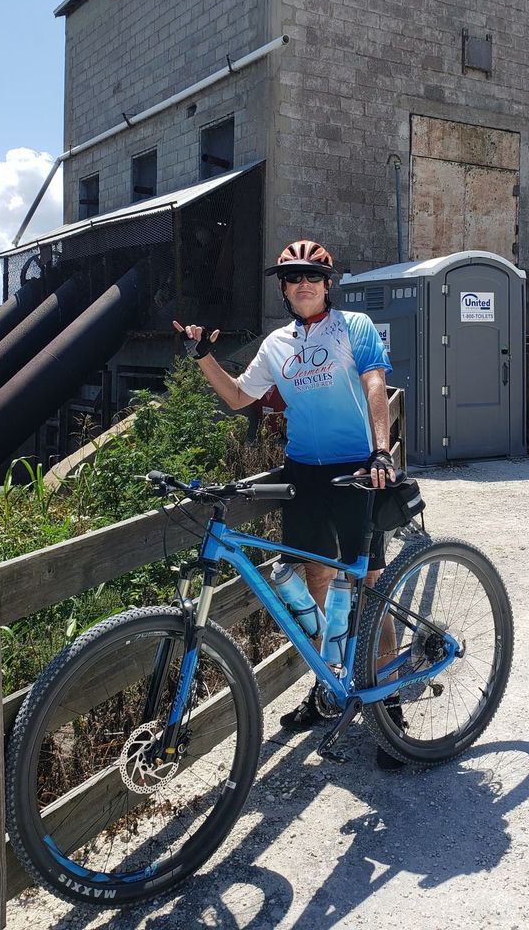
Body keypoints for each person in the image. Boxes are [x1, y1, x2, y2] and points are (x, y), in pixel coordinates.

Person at [174, 238, 406, 769]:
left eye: (312, 276)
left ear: (327, 284)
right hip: (303, 473)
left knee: (369, 585)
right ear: (283, 288)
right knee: (313, 578)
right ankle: (328, 683)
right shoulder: (276, 343)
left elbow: (375, 385)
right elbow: (239, 397)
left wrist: (380, 450)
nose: (302, 284)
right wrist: (203, 357)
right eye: (292, 277)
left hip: (356, 469)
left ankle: (389, 701)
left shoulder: (354, 327)